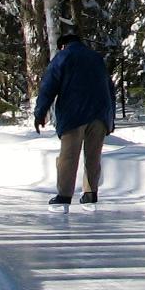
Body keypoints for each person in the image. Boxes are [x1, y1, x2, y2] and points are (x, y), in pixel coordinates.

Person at [33, 31, 116, 206]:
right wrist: (110, 118)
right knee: (93, 156)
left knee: (69, 156)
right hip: (100, 114)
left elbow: (49, 86)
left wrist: (40, 113)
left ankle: (64, 195)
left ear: (63, 45)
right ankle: (90, 193)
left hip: (74, 114)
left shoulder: (63, 57)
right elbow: (110, 88)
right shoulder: (96, 58)